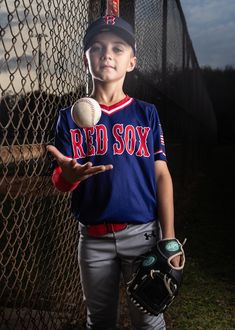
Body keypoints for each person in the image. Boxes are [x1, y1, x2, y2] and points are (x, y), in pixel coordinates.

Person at [47, 15, 180, 330]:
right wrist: (69, 176)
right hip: (93, 239)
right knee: (100, 320)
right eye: (97, 47)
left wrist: (169, 237)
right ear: (86, 59)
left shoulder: (146, 113)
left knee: (149, 317)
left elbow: (161, 175)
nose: (107, 54)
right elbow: (59, 181)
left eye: (118, 48)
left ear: (131, 61)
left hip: (143, 235)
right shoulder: (67, 118)